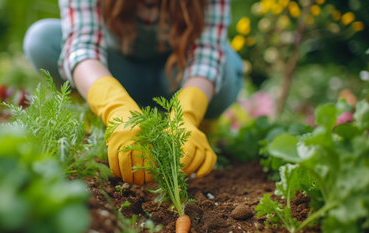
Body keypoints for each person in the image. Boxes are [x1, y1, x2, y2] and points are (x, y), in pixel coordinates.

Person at [23, 0, 243, 185]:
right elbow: (82, 47)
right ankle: (100, 120)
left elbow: (207, 54)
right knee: (42, 39)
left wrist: (186, 115)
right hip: (119, 75)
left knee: (226, 65)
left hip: (174, 80)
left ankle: (196, 131)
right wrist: (115, 108)